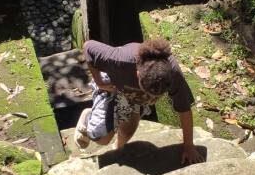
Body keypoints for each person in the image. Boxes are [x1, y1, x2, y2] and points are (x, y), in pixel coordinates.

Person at [75, 38, 205, 166]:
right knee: (101, 139)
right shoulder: (118, 59)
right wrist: (99, 82)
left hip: (133, 95)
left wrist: (189, 147)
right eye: (149, 94)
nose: (152, 101)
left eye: (156, 97)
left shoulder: (174, 74)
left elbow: (184, 110)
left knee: (127, 131)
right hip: (113, 85)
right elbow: (88, 47)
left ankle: (117, 150)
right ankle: (87, 116)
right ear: (137, 74)